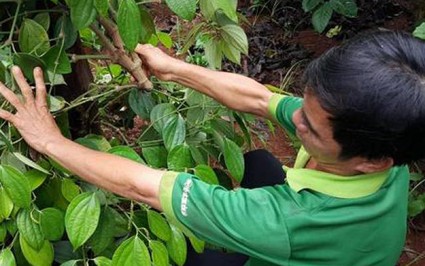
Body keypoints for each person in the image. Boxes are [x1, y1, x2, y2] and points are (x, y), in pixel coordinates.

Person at [0, 29, 424, 265]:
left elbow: (144, 187)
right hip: (344, 242)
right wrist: (173, 70)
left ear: (371, 162)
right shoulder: (390, 129)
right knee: (258, 164)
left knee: (193, 261)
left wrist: (49, 140)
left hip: (310, 240)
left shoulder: (289, 221)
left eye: (310, 129)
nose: (295, 119)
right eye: (303, 104)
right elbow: (261, 99)